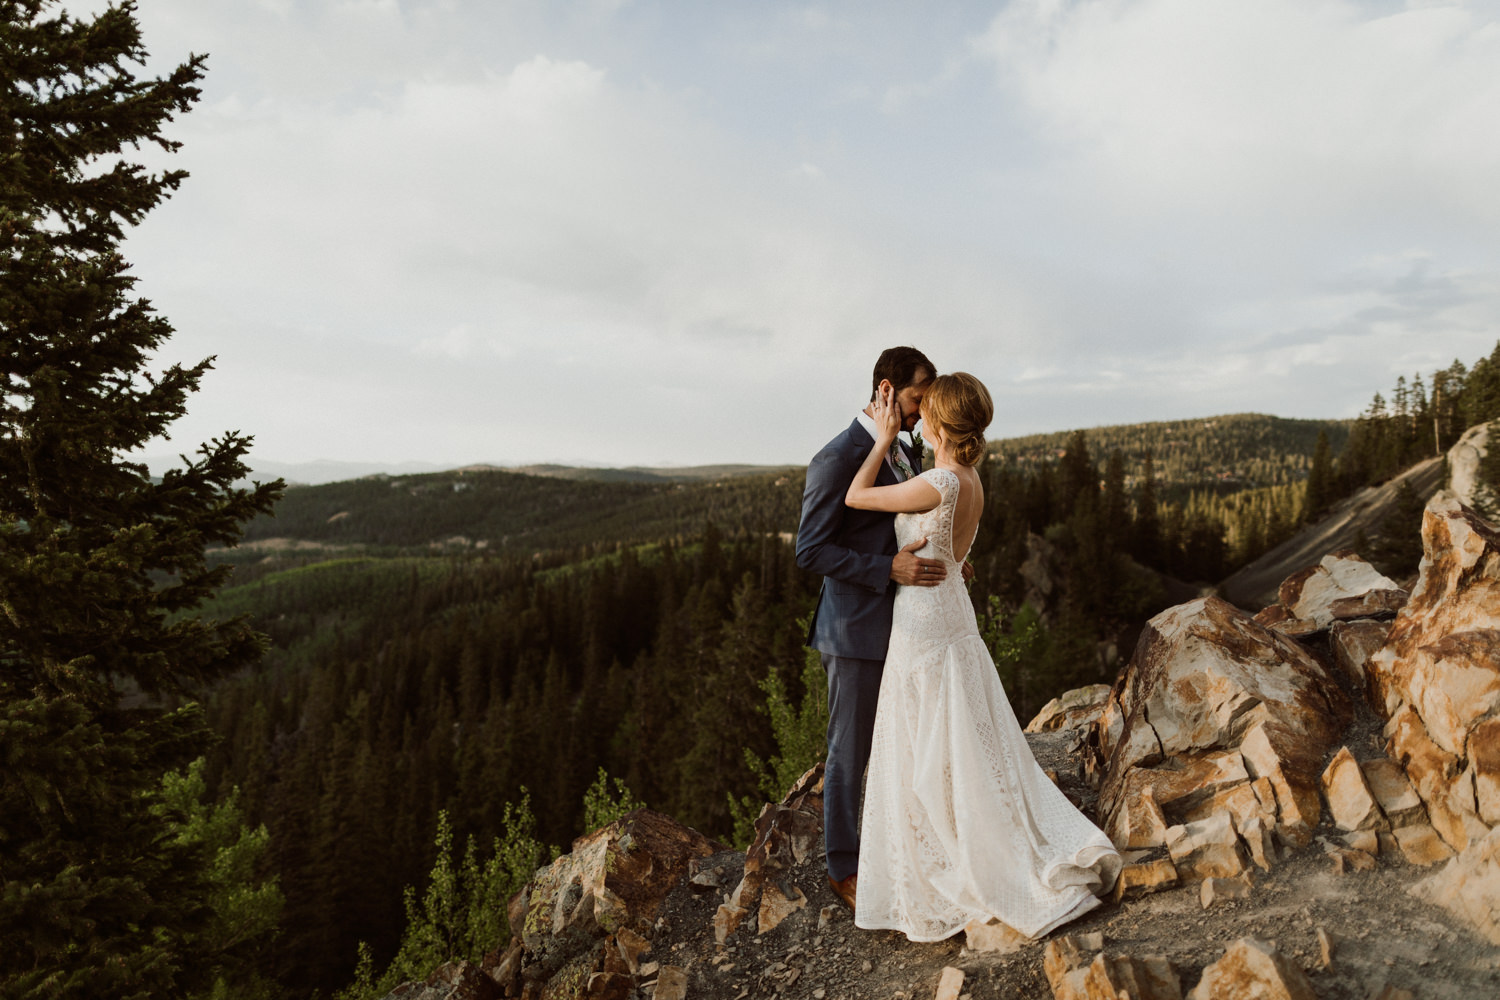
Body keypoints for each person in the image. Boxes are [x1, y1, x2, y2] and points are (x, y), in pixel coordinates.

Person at [844, 372, 1121, 942]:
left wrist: (881, 436)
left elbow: (856, 497)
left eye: (926, 414)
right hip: (951, 608)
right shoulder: (970, 479)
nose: (918, 420)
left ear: (940, 422)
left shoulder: (940, 481)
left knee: (926, 733)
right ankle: (972, 823)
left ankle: (958, 848)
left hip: (923, 619)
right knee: (963, 731)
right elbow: (952, 547)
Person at [796, 346, 947, 912]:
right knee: (848, 750)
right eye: (915, 398)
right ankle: (844, 867)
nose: (921, 409)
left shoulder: (904, 448)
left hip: (905, 623)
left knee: (904, 741)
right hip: (854, 629)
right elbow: (810, 550)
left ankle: (896, 846)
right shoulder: (836, 458)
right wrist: (887, 568)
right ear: (886, 390)